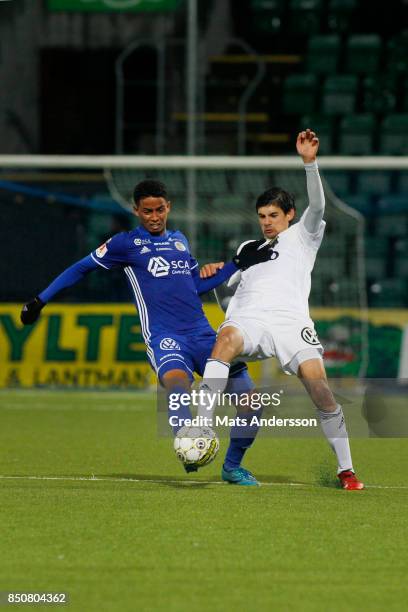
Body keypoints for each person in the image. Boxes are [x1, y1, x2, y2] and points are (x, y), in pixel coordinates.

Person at [20, 179, 272, 479]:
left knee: (253, 404)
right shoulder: (124, 244)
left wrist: (236, 264)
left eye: (160, 209)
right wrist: (40, 300)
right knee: (179, 387)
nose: (154, 217)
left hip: (204, 336)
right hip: (165, 338)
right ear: (136, 211)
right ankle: (188, 442)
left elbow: (196, 286)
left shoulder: (180, 240)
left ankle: (232, 468)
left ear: (169, 207)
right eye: (147, 211)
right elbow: (80, 267)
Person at [198, 129, 364, 490]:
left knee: (321, 391)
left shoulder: (303, 236)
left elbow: (318, 206)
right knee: (225, 337)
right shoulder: (248, 246)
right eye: (261, 215)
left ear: (289, 215)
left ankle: (346, 470)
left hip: (291, 323)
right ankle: (201, 424)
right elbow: (225, 291)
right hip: (251, 318)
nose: (266, 221)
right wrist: (214, 274)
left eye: (273, 214)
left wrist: (310, 163)